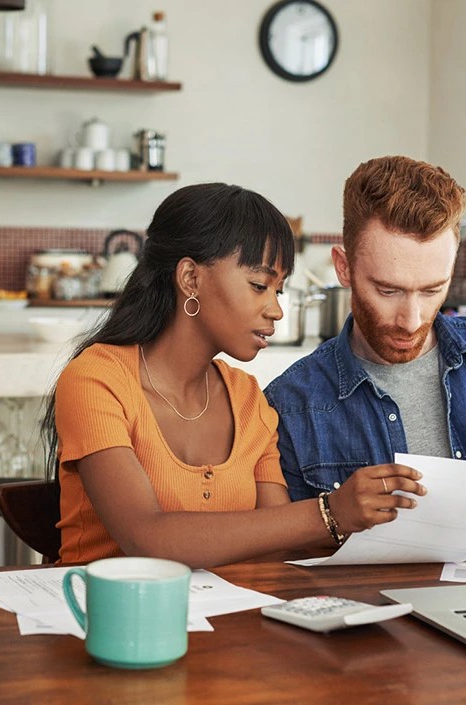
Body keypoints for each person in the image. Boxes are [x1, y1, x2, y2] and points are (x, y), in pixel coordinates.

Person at [42, 182, 425, 569]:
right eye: (259, 285)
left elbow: (276, 545)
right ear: (191, 278)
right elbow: (147, 538)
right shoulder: (97, 379)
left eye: (279, 290)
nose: (275, 309)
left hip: (230, 623)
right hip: (105, 620)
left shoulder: (248, 398)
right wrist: (330, 513)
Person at [265, 155, 466, 501]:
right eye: (388, 290)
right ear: (344, 268)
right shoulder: (290, 406)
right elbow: (292, 552)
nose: (412, 320)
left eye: (432, 290)